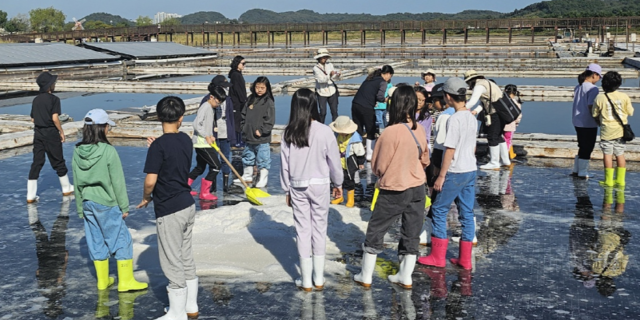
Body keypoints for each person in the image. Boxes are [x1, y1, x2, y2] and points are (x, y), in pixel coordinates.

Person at [353, 85, 430, 289]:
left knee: (376, 230)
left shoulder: (389, 132)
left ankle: (366, 275)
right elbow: (425, 159)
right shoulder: (419, 129)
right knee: (411, 231)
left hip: (394, 188)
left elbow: (378, 165)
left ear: (393, 104)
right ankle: (405, 276)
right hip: (418, 188)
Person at [72, 108, 148, 293]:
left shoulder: (77, 151)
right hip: (107, 202)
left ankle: (102, 281)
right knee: (121, 239)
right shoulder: (108, 151)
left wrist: (80, 208)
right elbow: (118, 181)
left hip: (88, 202)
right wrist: (124, 206)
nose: (108, 129)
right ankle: (126, 282)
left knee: (96, 239)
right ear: (102, 128)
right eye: (107, 126)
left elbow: (76, 181)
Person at [137, 97, 199, 320]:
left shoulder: (159, 146)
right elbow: (171, 151)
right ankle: (190, 306)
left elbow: (150, 181)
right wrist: (157, 146)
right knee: (185, 257)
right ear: (181, 118)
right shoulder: (185, 139)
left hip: (169, 208)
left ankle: (177, 313)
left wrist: (146, 198)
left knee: (171, 261)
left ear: (159, 117)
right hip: (187, 204)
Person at [280, 88, 344, 292]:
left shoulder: (288, 132)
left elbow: (285, 165)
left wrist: (286, 189)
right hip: (320, 185)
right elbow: (334, 161)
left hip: (297, 185)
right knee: (319, 228)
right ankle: (318, 278)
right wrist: (338, 183)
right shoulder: (325, 131)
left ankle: (306, 280)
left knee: (302, 230)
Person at [418, 78, 477, 271]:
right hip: (470, 169)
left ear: (448, 97)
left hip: (454, 171)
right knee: (466, 212)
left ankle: (437, 256)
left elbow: (449, 149)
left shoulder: (454, 119)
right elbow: (473, 146)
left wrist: (441, 176)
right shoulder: (471, 116)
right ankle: (465, 260)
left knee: (439, 210)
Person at [27, 71, 74, 203]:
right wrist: (61, 131)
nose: (54, 85)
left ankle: (30, 195)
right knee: (58, 160)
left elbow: (32, 119)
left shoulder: (36, 100)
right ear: (49, 86)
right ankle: (66, 188)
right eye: (53, 83)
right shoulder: (54, 99)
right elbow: (55, 118)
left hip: (38, 133)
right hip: (51, 133)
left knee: (37, 162)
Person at [592, 71, 634, 187]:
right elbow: (630, 112)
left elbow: (594, 113)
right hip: (621, 131)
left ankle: (608, 180)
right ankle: (620, 180)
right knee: (620, 154)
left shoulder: (600, 97)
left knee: (607, 154)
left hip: (607, 131)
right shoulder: (624, 96)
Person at [187, 85, 227, 201]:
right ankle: (204, 192)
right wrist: (206, 136)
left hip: (205, 141)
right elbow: (196, 124)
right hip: (201, 143)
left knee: (200, 167)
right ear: (211, 97)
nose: (218, 105)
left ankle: (184, 187)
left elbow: (206, 125)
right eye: (218, 102)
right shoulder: (205, 107)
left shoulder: (210, 108)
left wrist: (211, 136)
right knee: (216, 166)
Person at [199, 75, 236, 193]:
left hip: (224, 130)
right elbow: (202, 119)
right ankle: (212, 184)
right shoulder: (207, 100)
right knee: (213, 160)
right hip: (212, 135)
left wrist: (232, 135)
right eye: (223, 87)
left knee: (225, 158)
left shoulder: (228, 99)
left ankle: (225, 185)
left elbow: (231, 117)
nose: (225, 90)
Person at [464, 70, 508, 170]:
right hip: (501, 112)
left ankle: (494, 162)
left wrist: (459, 109)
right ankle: (505, 160)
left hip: (494, 113)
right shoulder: (488, 83)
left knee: (492, 137)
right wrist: (475, 111)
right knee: (498, 136)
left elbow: (472, 101)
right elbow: (483, 102)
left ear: (471, 80)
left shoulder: (479, 86)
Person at [352, 65, 394, 162]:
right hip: (366, 107)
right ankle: (370, 155)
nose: (389, 79)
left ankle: (357, 153)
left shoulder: (370, 78)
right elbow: (380, 97)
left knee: (357, 128)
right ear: (388, 74)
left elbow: (367, 92)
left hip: (355, 104)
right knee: (371, 129)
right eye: (390, 76)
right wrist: (385, 99)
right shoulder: (382, 82)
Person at [240, 77, 275, 188]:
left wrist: (262, 131)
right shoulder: (250, 99)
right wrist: (243, 128)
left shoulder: (268, 102)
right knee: (248, 156)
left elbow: (270, 120)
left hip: (261, 138)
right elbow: (243, 115)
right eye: (257, 87)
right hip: (248, 135)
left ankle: (263, 178)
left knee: (263, 158)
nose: (259, 90)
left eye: (262, 88)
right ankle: (247, 175)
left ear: (267, 88)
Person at [572, 64, 602, 178]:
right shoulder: (593, 89)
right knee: (588, 147)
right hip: (588, 122)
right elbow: (591, 107)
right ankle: (583, 172)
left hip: (577, 120)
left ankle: (576, 169)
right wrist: (597, 120)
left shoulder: (578, 86)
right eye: (599, 76)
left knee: (582, 145)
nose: (599, 79)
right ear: (594, 75)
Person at [329, 116, 365, 208]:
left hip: (350, 162)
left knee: (349, 180)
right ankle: (339, 196)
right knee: (337, 179)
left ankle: (350, 199)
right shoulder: (337, 136)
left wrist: (360, 162)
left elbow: (360, 152)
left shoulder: (354, 139)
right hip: (339, 161)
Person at [313, 48, 340, 124]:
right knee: (323, 112)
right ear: (319, 58)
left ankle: (336, 129)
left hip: (332, 90)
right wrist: (330, 75)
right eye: (323, 57)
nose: (325, 59)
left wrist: (337, 75)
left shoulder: (330, 65)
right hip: (322, 92)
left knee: (334, 111)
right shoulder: (316, 68)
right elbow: (321, 80)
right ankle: (320, 128)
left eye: (326, 57)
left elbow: (333, 78)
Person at [229, 55, 247, 148]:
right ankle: (236, 141)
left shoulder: (237, 73)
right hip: (237, 102)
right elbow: (237, 89)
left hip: (239, 101)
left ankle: (239, 140)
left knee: (239, 120)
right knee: (237, 120)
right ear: (237, 64)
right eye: (243, 63)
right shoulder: (235, 75)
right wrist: (243, 100)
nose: (244, 65)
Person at [503, 84, 523, 159]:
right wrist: (516, 123)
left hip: (502, 124)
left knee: (502, 140)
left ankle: (508, 154)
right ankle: (506, 156)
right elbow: (519, 115)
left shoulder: (503, 102)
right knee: (508, 140)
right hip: (511, 125)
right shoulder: (517, 102)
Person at [414, 85, 433, 151]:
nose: (420, 102)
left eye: (423, 100)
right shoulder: (406, 114)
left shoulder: (427, 116)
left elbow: (427, 135)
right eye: (418, 99)